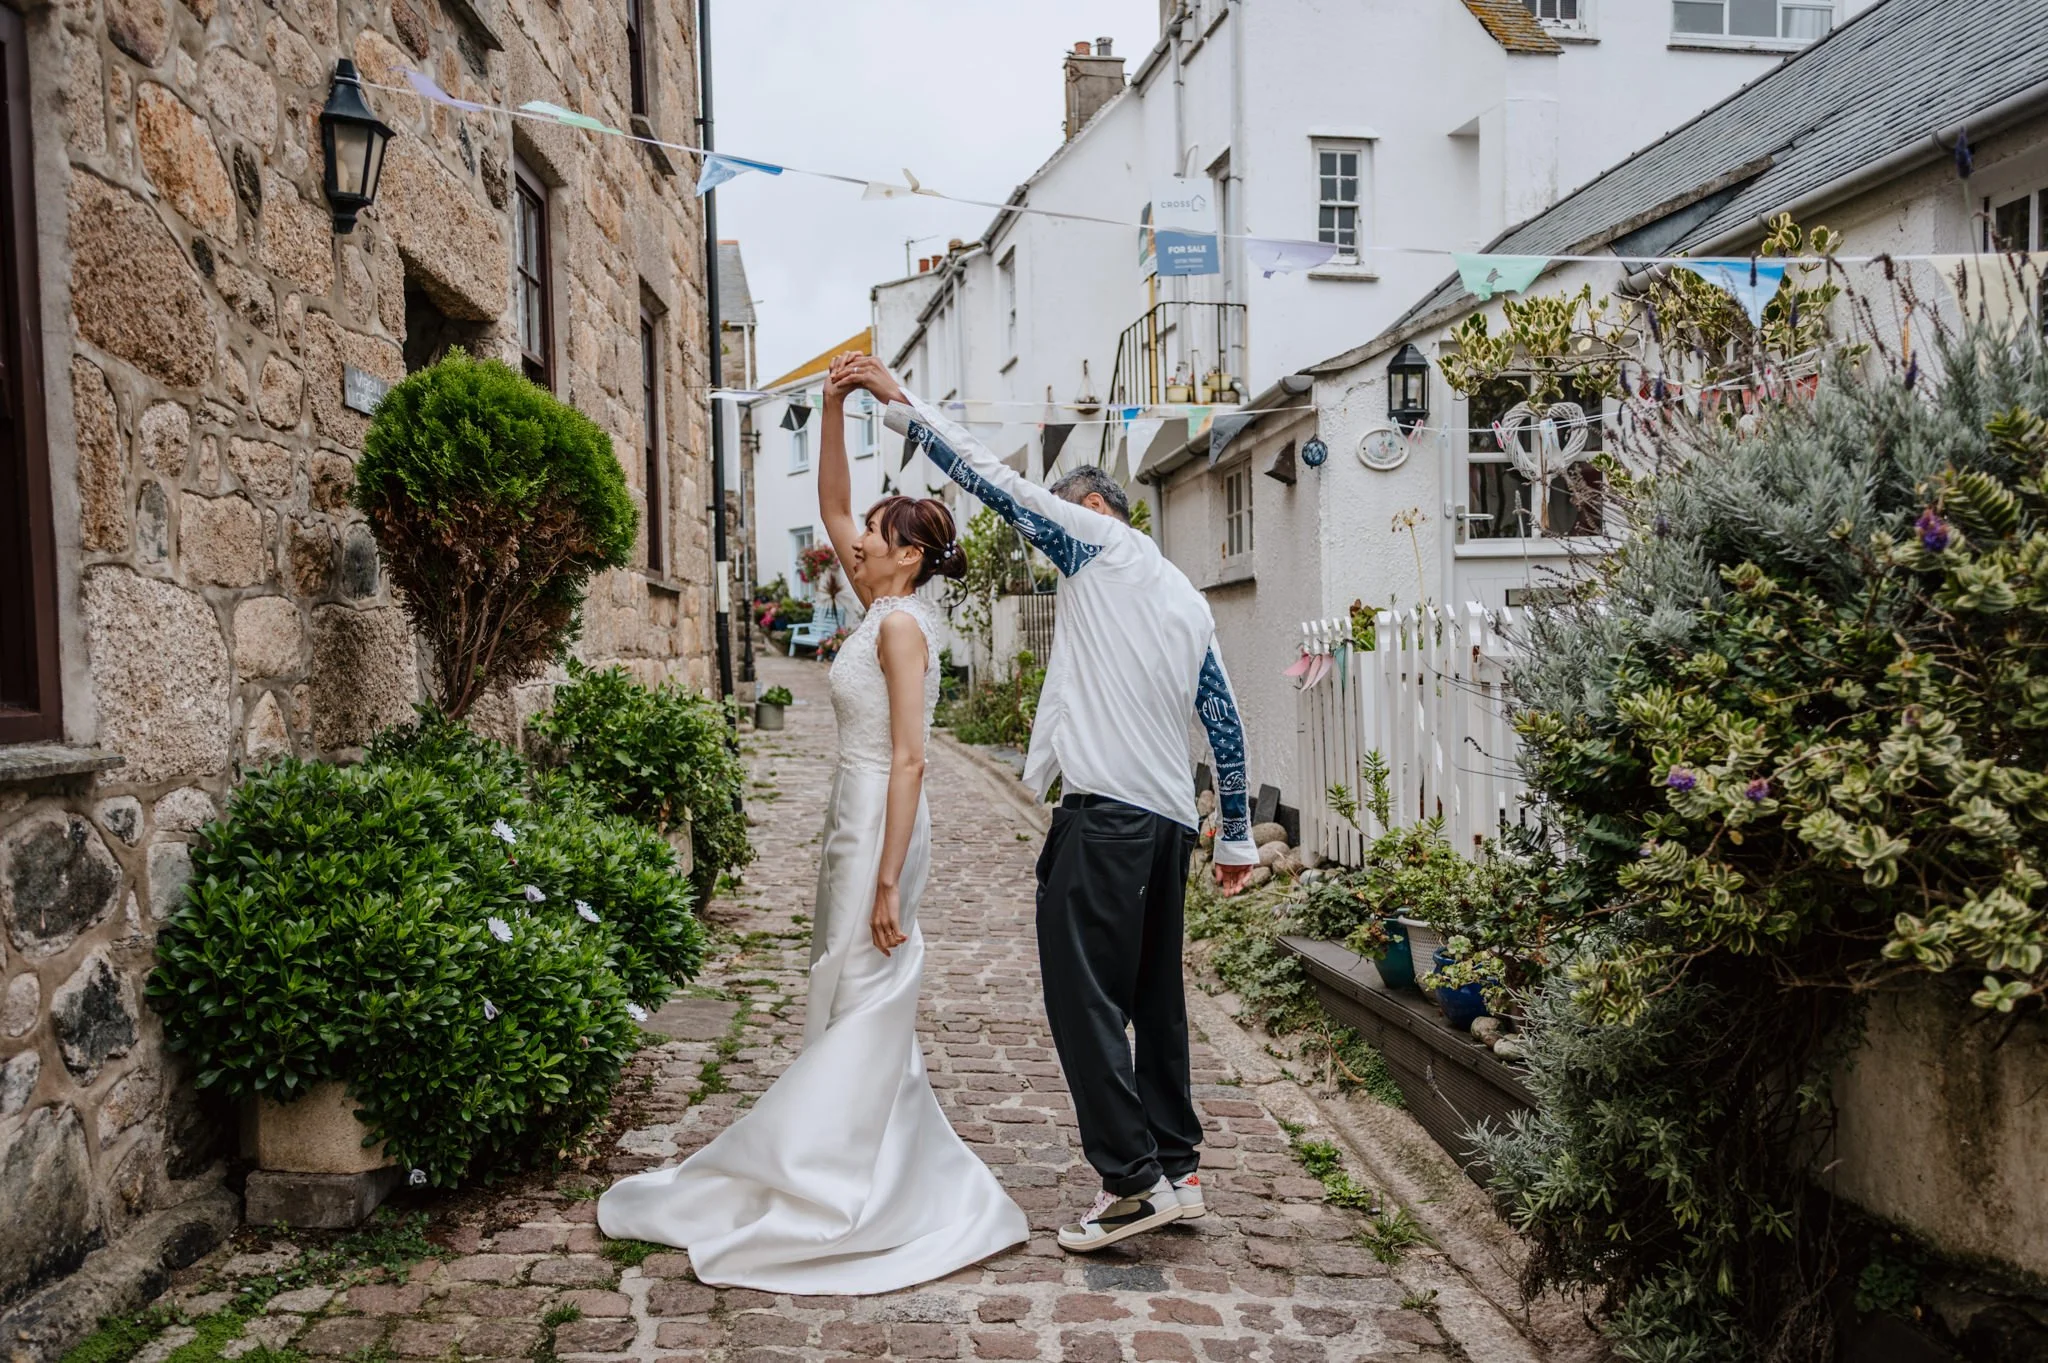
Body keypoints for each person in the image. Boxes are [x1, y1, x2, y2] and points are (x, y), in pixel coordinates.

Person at [596, 354, 1028, 1294]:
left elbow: (913, 756)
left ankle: (849, 1178)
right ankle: (848, 1146)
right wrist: (835, 406)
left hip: (883, 818)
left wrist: (885, 876)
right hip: (847, 813)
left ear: (908, 553)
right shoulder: (875, 608)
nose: (856, 540)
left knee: (866, 977)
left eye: (876, 533)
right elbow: (833, 499)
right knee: (838, 983)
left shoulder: (904, 627)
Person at [839, 356, 1259, 1254]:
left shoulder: (1094, 543)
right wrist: (1242, 835)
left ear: (1094, 510)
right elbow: (1223, 715)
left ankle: (1133, 1181)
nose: (1051, 542)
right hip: (1168, 828)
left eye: (1066, 518)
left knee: (1082, 999)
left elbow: (993, 481)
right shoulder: (1182, 597)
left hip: (1104, 818)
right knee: (1157, 999)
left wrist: (904, 407)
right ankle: (1179, 1165)